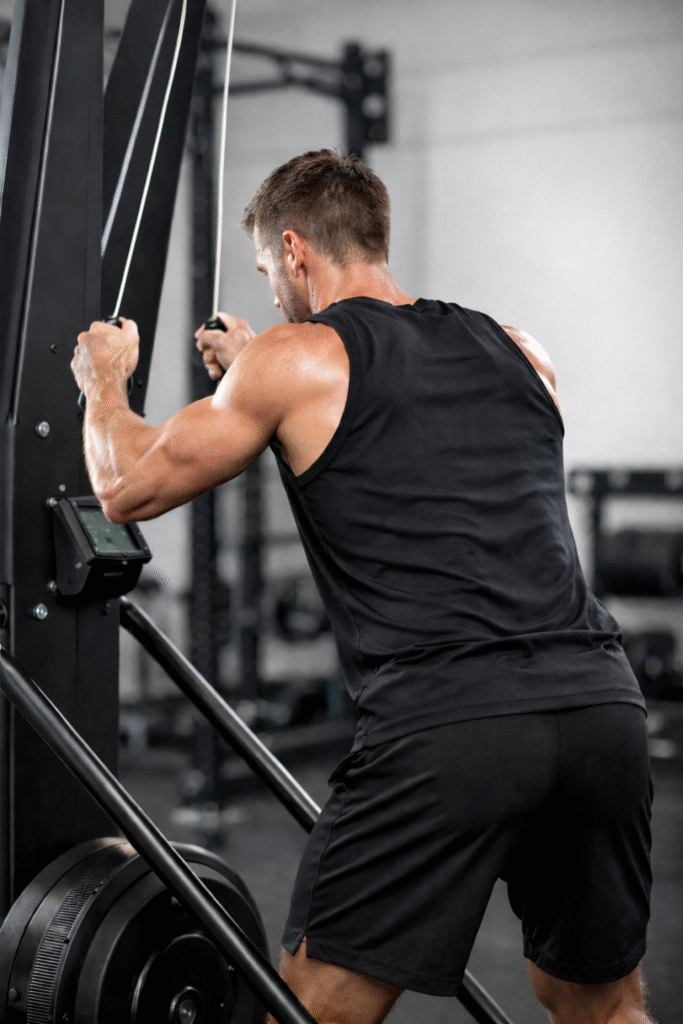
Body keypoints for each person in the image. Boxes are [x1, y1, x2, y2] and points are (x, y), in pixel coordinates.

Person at [72, 149, 654, 1024]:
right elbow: (419, 437)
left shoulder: (293, 359)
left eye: (271, 271)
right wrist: (262, 371)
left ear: (298, 252)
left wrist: (104, 380)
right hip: (599, 709)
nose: (271, 292)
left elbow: (125, 485)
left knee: (309, 1013)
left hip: (448, 728)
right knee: (602, 1005)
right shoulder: (519, 350)